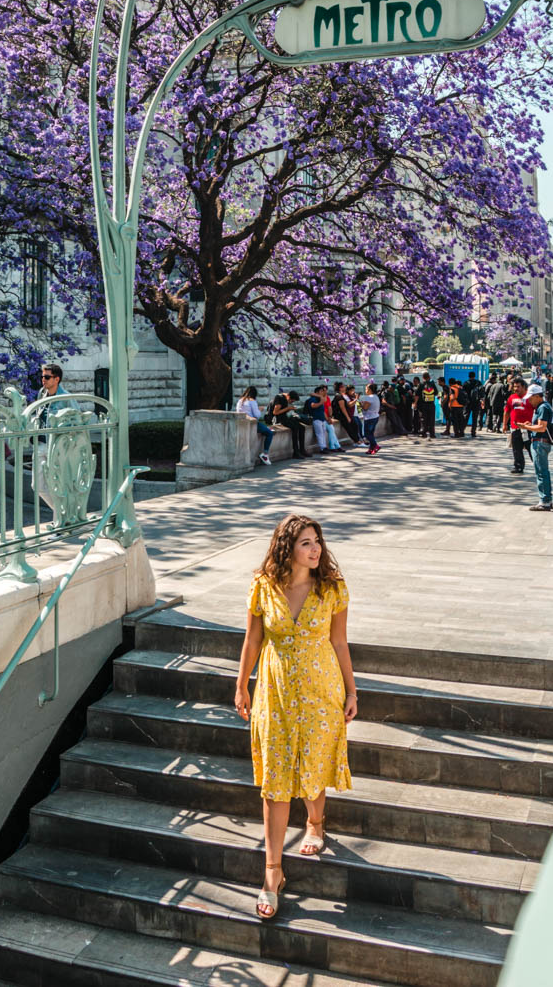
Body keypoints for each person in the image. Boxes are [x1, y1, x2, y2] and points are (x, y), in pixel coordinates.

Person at [235, 514, 356, 919]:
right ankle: (272, 872)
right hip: (275, 691)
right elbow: (253, 638)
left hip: (322, 690)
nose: (315, 548)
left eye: (317, 540)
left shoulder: (333, 588)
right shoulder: (263, 586)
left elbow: (339, 642)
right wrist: (241, 684)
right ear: (286, 547)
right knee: (275, 776)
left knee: (313, 763)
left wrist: (352, 690)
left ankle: (316, 823)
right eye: (305, 542)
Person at [33, 362, 72, 521]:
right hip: (41, 444)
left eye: (47, 377)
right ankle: (65, 514)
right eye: (42, 376)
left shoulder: (66, 398)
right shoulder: (42, 393)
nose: (43, 379)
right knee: (38, 487)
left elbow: (76, 419)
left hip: (55, 447)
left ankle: (59, 524)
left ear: (57, 379)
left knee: (57, 486)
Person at [519, 384, 553, 511]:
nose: (529, 400)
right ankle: (547, 499)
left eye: (531, 398)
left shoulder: (543, 407)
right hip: (540, 442)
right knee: (543, 472)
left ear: (537, 396)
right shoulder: (543, 406)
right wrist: (530, 424)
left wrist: (526, 427)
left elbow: (541, 427)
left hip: (540, 442)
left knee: (541, 472)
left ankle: (544, 501)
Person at [503, 376, 533, 474]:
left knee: (531, 449)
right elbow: (507, 412)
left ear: (524, 387)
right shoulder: (512, 397)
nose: (516, 389)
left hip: (529, 429)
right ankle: (518, 466)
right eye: (514, 387)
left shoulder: (531, 398)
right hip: (515, 428)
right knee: (516, 449)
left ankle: (538, 466)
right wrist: (504, 425)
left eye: (518, 387)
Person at [236, 386, 273, 465]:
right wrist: (260, 410)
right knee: (269, 433)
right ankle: (265, 454)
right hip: (252, 423)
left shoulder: (240, 400)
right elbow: (257, 415)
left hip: (241, 423)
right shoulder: (252, 401)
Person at [304, 385, 342, 456]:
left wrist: (328, 417)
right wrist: (321, 401)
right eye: (321, 391)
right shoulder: (313, 399)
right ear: (317, 392)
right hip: (316, 418)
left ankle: (325, 447)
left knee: (323, 433)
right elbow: (313, 405)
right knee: (319, 434)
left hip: (322, 419)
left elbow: (324, 409)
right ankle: (322, 448)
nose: (323, 392)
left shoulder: (321, 398)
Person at [271, 390, 308, 459]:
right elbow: (275, 412)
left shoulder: (286, 398)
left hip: (285, 417)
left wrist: (289, 409)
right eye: (291, 401)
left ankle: (302, 449)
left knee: (302, 427)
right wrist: (288, 408)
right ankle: (295, 452)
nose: (291, 402)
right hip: (278, 419)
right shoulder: (279, 398)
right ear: (288, 396)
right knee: (295, 428)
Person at [359, 383, 381, 454]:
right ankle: (371, 449)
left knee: (367, 434)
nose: (365, 390)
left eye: (366, 389)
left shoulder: (369, 397)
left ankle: (375, 445)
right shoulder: (375, 397)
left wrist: (360, 404)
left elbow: (365, 408)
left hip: (369, 418)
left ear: (370, 390)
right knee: (371, 434)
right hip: (375, 417)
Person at [418, 373, 437, 439]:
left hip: (423, 405)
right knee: (431, 419)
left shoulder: (421, 384)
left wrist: (415, 403)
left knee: (424, 419)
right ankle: (432, 434)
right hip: (431, 404)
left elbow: (417, 395)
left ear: (423, 377)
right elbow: (436, 393)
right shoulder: (432, 384)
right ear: (429, 377)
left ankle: (424, 433)